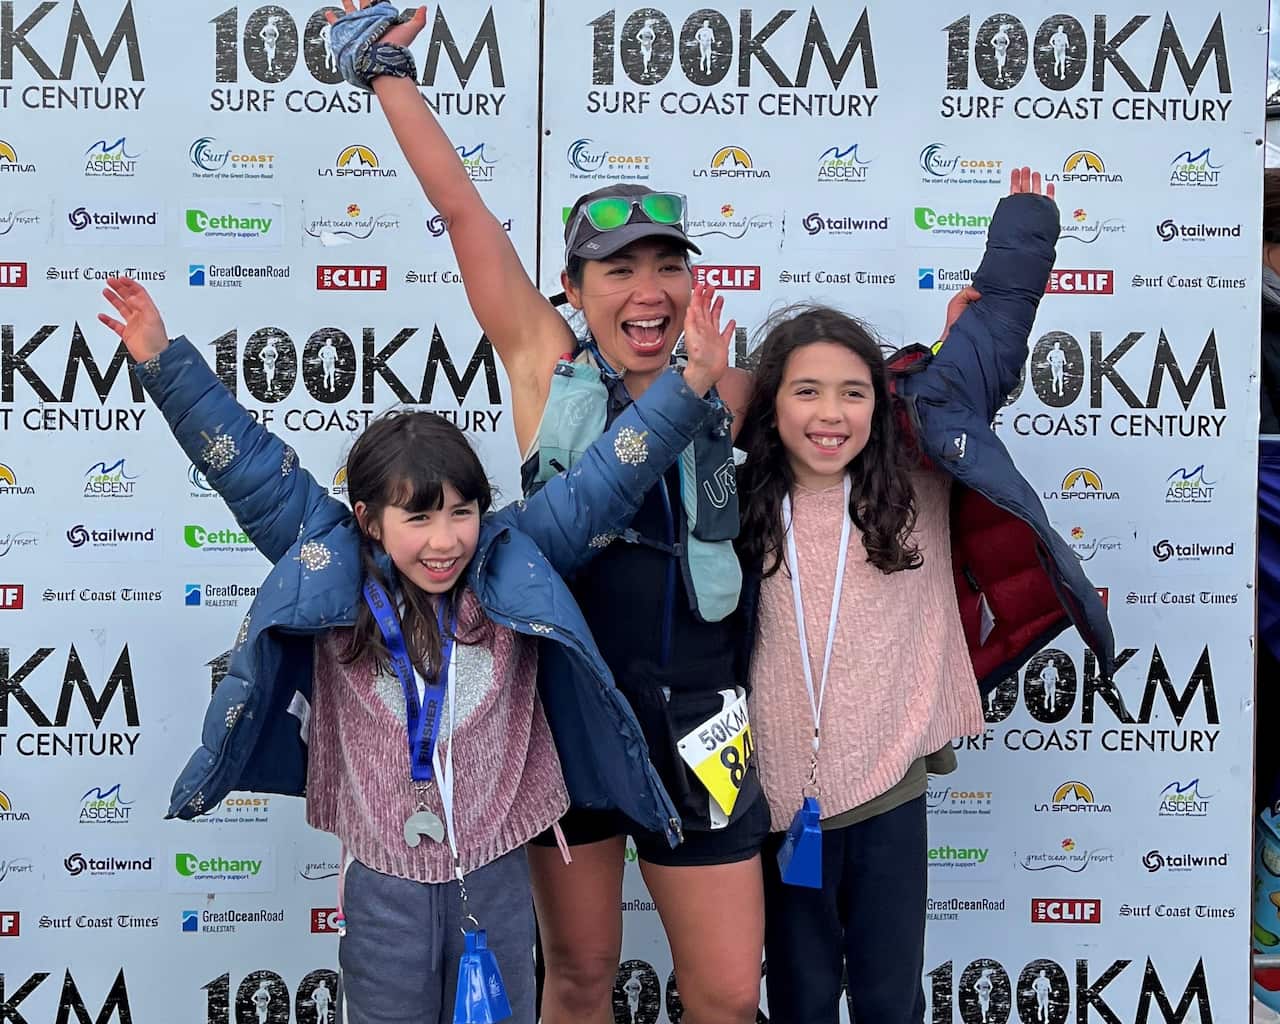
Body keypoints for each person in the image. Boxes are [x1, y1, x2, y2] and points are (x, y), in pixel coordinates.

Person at [97, 274, 733, 1024]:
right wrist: (162, 360)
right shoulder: (331, 562)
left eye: (462, 513)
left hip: (495, 878)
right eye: (418, 518)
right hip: (382, 885)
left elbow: (603, 481)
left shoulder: (515, 558)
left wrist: (690, 384)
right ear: (368, 519)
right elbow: (247, 465)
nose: (444, 540)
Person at [324, 5, 774, 1022]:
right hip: (565, 716)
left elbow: (858, 413)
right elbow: (466, 214)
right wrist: (385, 71)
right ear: (573, 288)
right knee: (574, 978)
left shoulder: (732, 387)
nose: (649, 289)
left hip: (705, 720)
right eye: (618, 269)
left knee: (720, 991)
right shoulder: (546, 363)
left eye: (668, 266)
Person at [732, 169, 1115, 1023]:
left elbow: (999, 326)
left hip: (890, 786)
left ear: (884, 399)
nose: (831, 414)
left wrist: (1024, 223)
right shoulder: (741, 491)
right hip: (777, 798)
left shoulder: (916, 467)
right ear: (771, 405)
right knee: (795, 997)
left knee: (887, 995)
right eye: (805, 391)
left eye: (852, 392)